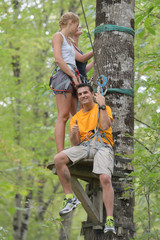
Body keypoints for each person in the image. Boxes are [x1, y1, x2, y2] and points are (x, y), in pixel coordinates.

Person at [54, 83, 116, 235]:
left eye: (85, 93)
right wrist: (74, 134)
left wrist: (102, 105)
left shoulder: (103, 108)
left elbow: (105, 125)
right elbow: (75, 144)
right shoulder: (76, 117)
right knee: (59, 158)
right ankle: (70, 198)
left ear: (92, 94)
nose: (83, 96)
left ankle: (109, 218)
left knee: (105, 178)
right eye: (80, 94)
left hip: (103, 146)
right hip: (85, 146)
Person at [51, 12, 81, 153]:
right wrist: (72, 76)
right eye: (76, 25)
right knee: (63, 116)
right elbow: (58, 59)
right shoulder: (58, 36)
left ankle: (76, 148)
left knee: (76, 116)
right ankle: (60, 152)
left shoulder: (70, 41)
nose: (77, 28)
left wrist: (78, 79)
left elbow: (75, 61)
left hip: (73, 75)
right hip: (64, 76)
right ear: (71, 23)